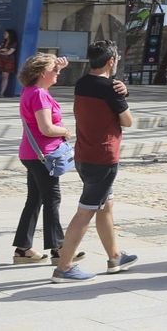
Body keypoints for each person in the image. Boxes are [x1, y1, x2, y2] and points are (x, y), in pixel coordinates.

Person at [51, 41, 136, 283]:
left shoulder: (82, 83)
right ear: (112, 61)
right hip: (103, 157)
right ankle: (64, 267)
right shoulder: (110, 88)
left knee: (105, 206)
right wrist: (121, 93)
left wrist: (120, 90)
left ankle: (115, 257)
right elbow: (127, 121)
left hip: (84, 154)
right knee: (86, 211)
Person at [14, 52, 73, 267]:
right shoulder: (39, 94)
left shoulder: (30, 90)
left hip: (31, 153)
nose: (57, 73)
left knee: (35, 200)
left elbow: (48, 75)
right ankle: (59, 249)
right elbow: (46, 128)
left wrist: (56, 66)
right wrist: (65, 131)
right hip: (43, 155)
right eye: (54, 70)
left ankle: (23, 249)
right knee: (52, 199)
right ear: (41, 73)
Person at [0, 30, 17, 97]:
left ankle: (1, 93)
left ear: (9, 34)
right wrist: (3, 51)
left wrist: (2, 51)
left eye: (5, 33)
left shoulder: (14, 43)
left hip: (8, 61)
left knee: (5, 77)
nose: (4, 35)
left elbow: (9, 52)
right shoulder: (2, 42)